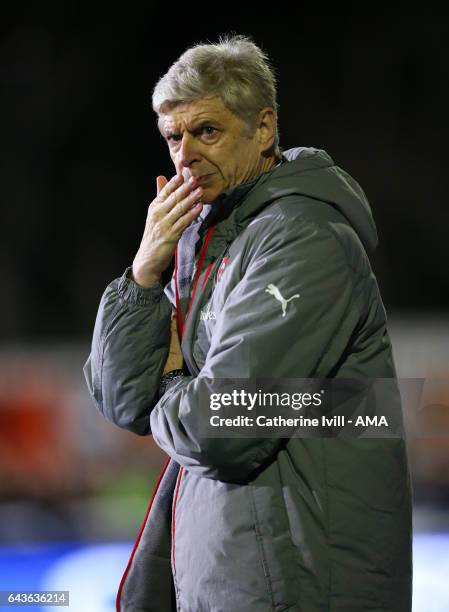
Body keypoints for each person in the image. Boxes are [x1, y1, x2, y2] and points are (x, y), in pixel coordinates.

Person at [83, 35, 413, 612]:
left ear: (263, 129)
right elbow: (119, 400)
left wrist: (172, 383)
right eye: (172, 137)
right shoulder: (199, 243)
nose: (184, 154)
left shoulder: (304, 237)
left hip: (301, 582)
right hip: (239, 576)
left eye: (205, 131)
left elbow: (226, 425)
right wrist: (142, 276)